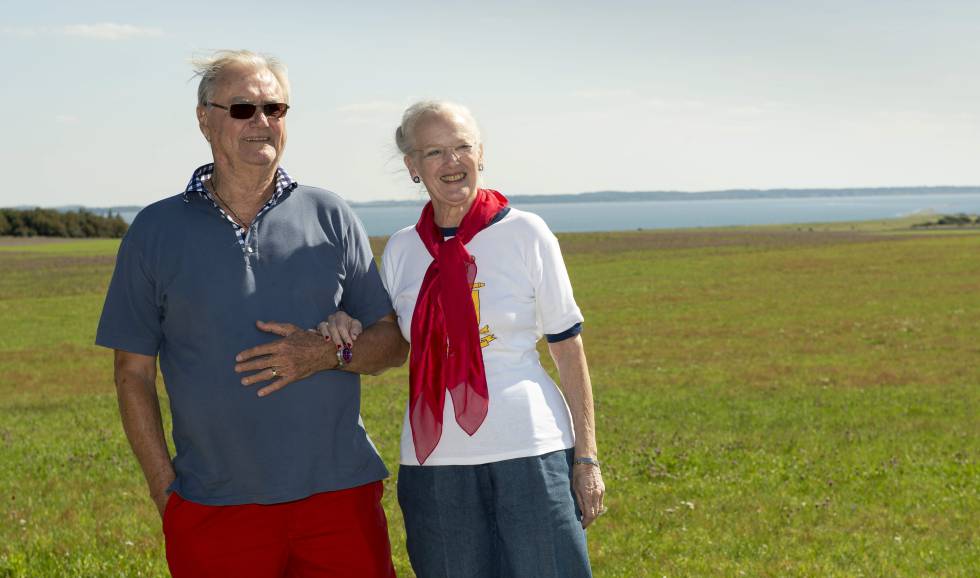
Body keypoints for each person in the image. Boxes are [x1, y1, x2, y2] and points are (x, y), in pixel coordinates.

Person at [95, 50, 407, 577]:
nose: (262, 122)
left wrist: (329, 352)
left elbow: (393, 343)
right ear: (204, 119)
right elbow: (132, 374)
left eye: (275, 108)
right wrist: (163, 490)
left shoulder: (330, 214)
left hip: (339, 501)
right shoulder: (155, 230)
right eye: (243, 108)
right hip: (213, 507)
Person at [322, 100, 605, 577]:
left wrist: (587, 458)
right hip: (433, 463)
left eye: (462, 147)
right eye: (434, 152)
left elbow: (568, 348)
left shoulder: (527, 233)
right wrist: (341, 323)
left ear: (482, 155)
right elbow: (380, 332)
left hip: (530, 451)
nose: (452, 162)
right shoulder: (402, 249)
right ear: (413, 167)